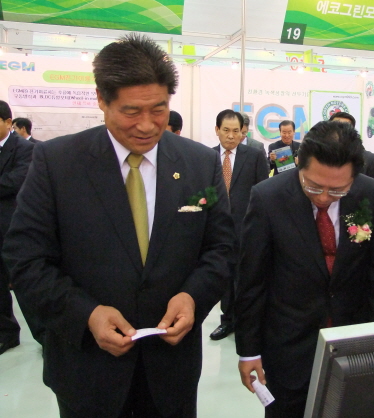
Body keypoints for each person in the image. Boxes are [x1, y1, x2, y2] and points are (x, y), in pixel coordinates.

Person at [3, 34, 235, 417]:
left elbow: (221, 248)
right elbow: (26, 260)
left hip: (171, 371)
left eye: (158, 109)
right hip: (87, 371)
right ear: (101, 99)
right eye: (131, 111)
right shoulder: (57, 164)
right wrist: (86, 315)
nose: (147, 125)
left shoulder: (198, 165)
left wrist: (193, 297)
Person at [236, 120, 374, 418]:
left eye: (337, 190)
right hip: (289, 345)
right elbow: (251, 280)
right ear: (299, 163)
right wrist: (249, 350)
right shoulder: (268, 197)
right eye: (313, 186)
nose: (323, 197)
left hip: (352, 341)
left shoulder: (370, 194)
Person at [209, 110, 269, 341]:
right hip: (217, 229)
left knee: (247, 276)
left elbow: (263, 190)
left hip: (247, 227)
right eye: (226, 130)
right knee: (224, 276)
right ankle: (227, 321)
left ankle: (249, 321)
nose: (231, 136)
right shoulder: (207, 157)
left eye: (236, 131)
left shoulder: (253, 156)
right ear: (217, 130)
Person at [0, 101, 34, 355]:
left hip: (13, 228)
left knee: (26, 284)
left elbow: (14, 182)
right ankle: (7, 334)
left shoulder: (25, 149)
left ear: (8, 122)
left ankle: (46, 334)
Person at [329, 111, 374, 181]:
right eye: (337, 126)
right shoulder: (318, 157)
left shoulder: (370, 160)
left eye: (345, 127)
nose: (340, 131)